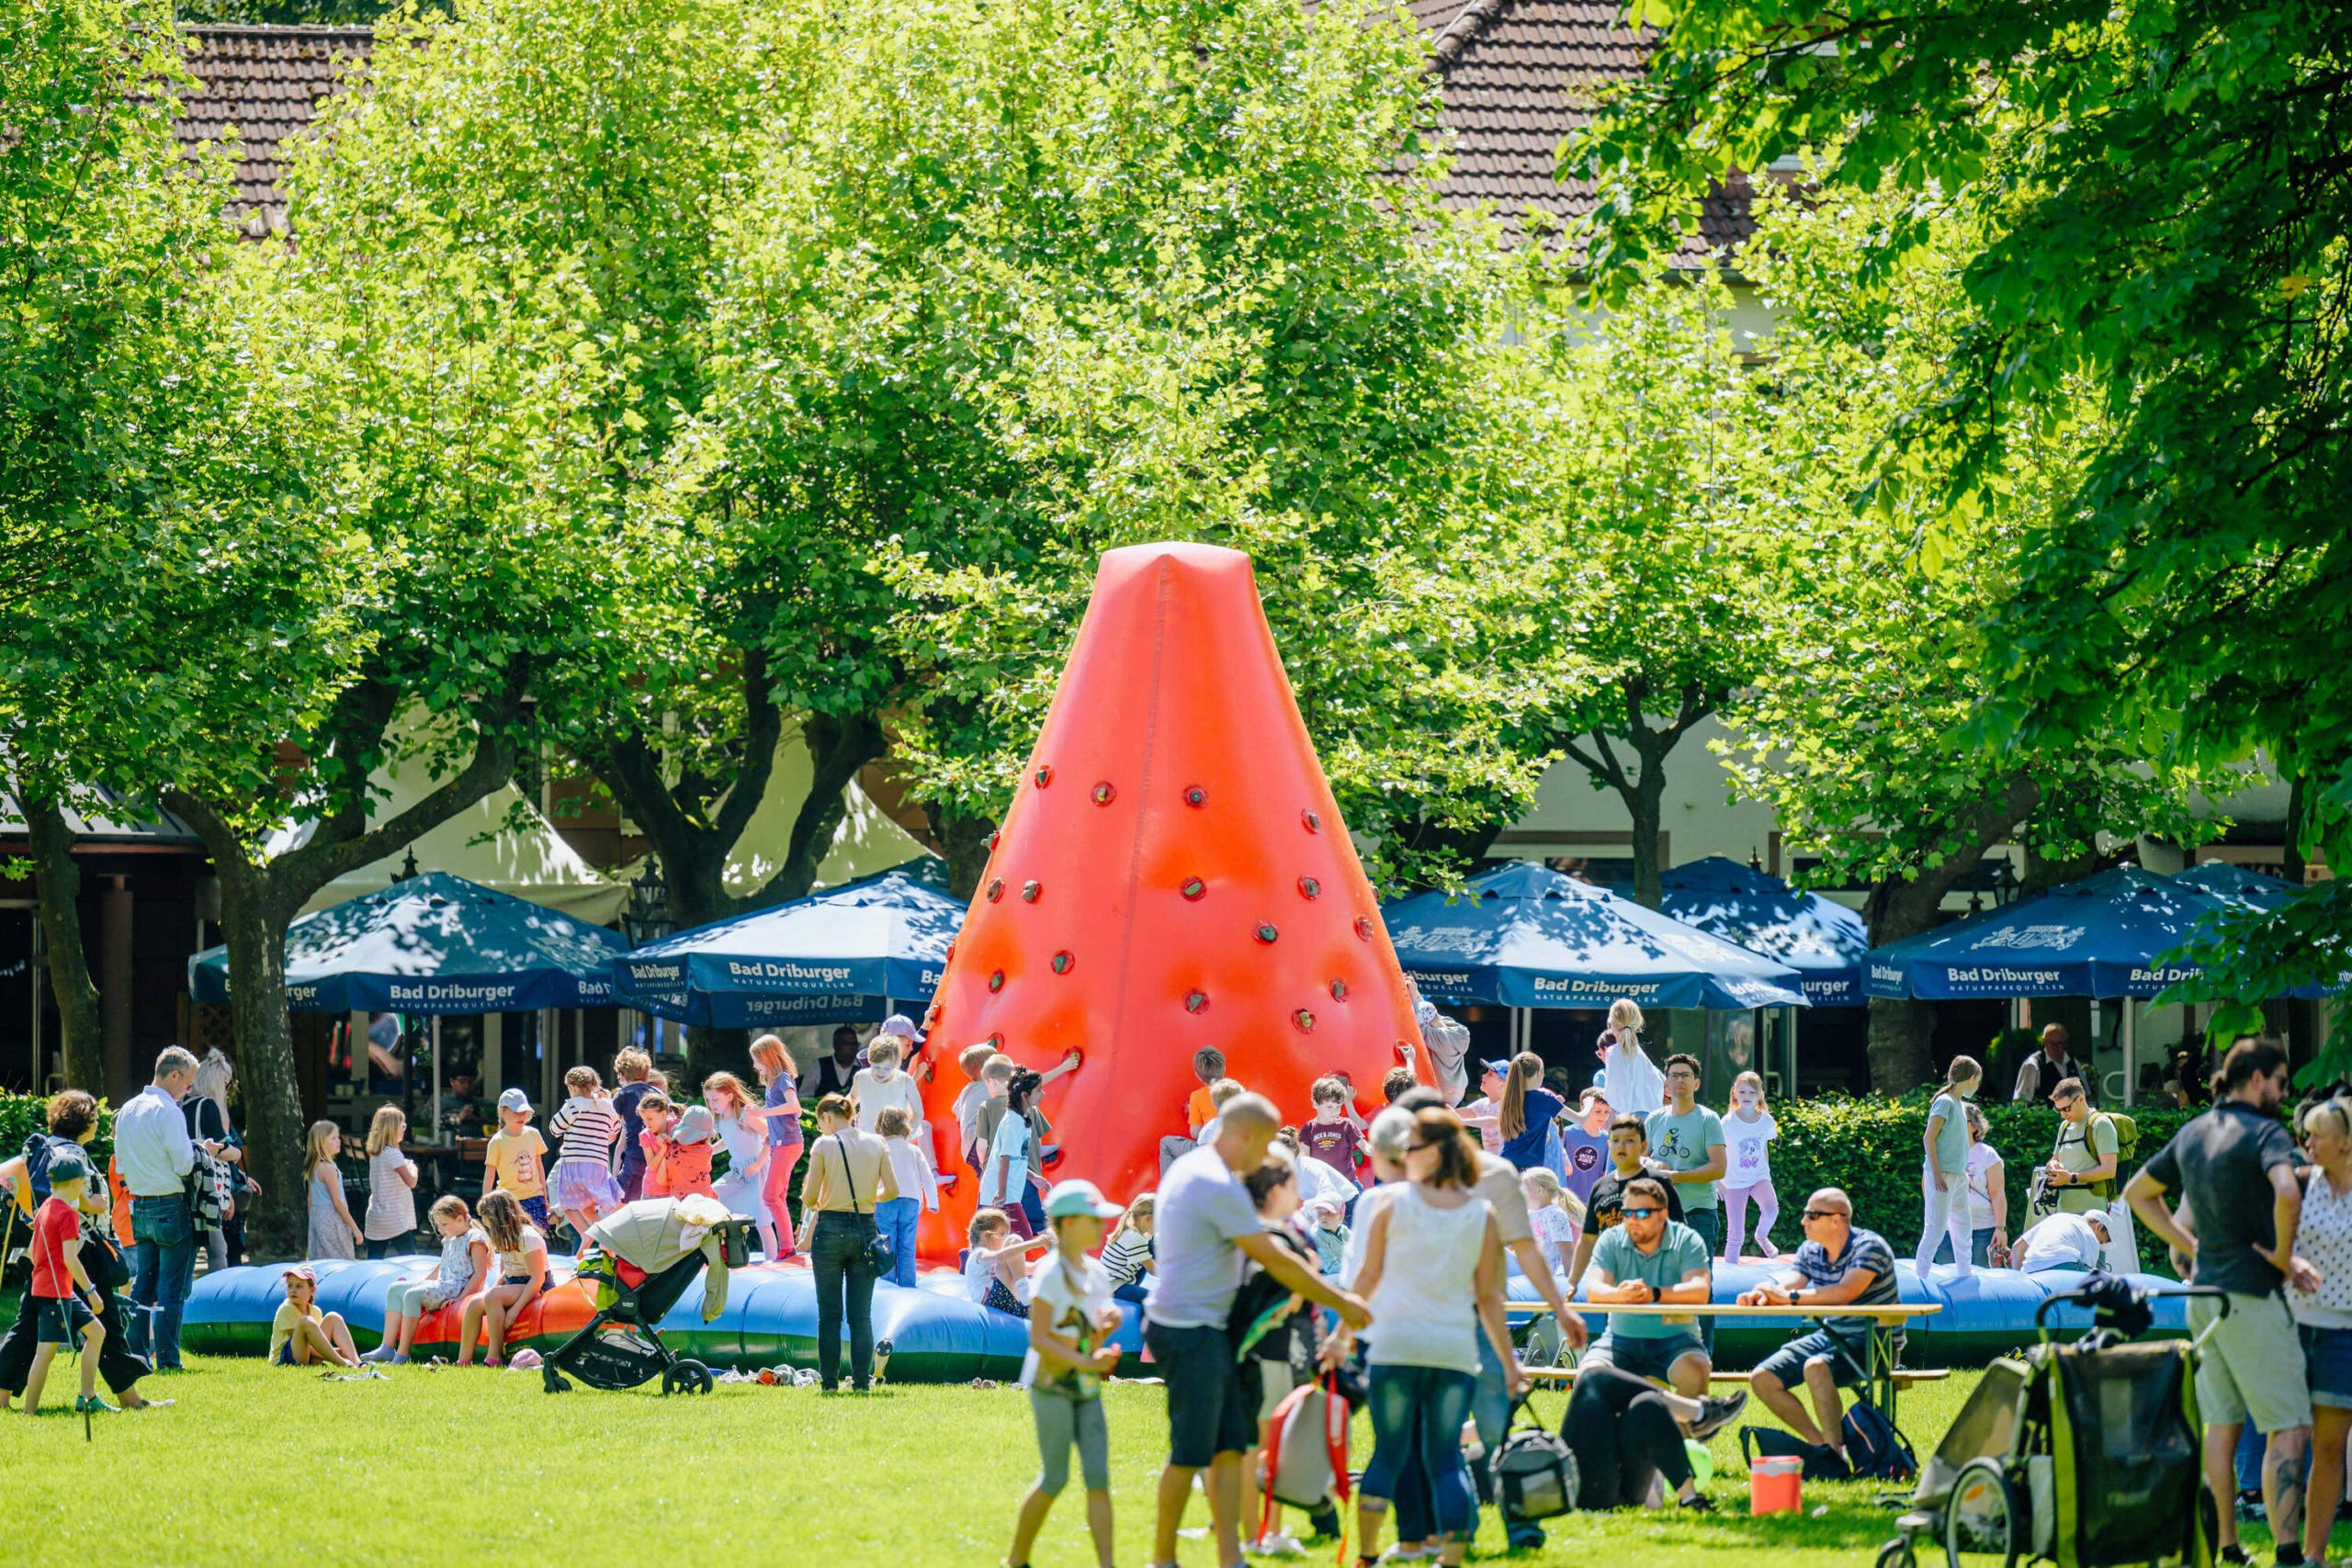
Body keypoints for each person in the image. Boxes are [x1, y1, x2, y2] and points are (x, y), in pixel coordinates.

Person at [1146, 1094, 1369, 1568]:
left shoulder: (1198, 1170)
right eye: (1266, 1142)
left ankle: (1232, 1557)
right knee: (1191, 1451)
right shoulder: (1214, 1183)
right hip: (1190, 1329)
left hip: (1205, 1328)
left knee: (1230, 1448)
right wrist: (1342, 1302)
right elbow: (1272, 1257)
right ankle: (1162, 1558)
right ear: (1246, 1136)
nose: (1270, 1155)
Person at [1369, 1085, 1588, 1552]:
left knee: (1469, 1434)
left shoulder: (1487, 1175)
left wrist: (1561, 1305)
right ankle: (1469, 1534)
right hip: (1457, 1318)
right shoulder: (1473, 1173)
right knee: (1464, 1436)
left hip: (1453, 1320)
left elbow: (1525, 1249)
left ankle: (1480, 1532)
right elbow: (1523, 1251)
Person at [2126, 1037, 2314, 1567]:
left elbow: (2138, 1192)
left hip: (2203, 1297)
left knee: (2222, 1423)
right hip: (2252, 1297)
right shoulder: (2266, 1132)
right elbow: (2288, 1191)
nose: (2283, 1092)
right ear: (2256, 1079)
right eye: (2280, 1083)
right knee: (2288, 1423)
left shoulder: (2194, 1132)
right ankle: (2288, 1553)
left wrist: (2193, 1248)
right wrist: (2281, 1258)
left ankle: (2227, 1547)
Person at [1341, 1108, 1517, 1568]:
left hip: (1395, 1347)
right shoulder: (1482, 1213)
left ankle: (1366, 1555)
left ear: (1433, 1153)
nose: (1405, 1154)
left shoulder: (1388, 1203)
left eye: (1412, 1147)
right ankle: (1451, 1560)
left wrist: (1341, 1333)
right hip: (1453, 1352)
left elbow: (1366, 1278)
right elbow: (1489, 1299)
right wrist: (1511, 1363)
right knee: (1443, 1459)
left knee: (1387, 1454)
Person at [1737, 1187, 1904, 1475]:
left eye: (1812, 1215)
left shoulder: (1870, 1247)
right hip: (1832, 1335)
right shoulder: (1811, 1250)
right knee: (1762, 1378)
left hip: (1878, 1341)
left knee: (1815, 1367)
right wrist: (1762, 1293)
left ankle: (1832, 1451)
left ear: (1837, 1220)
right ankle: (1827, 1451)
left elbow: (1844, 1292)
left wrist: (1786, 1298)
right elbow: (1792, 1282)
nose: (1804, 1222)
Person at [1008, 1179, 1127, 1568]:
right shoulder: (1050, 1274)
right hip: (1051, 1386)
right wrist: (1086, 1362)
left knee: (1098, 1478)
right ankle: (1017, 1559)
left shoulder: (1094, 1271)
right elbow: (1041, 1338)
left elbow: (1089, 1330)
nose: (1102, 1227)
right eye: (1095, 1220)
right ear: (1070, 1223)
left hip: (1086, 1386)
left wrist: (1109, 1325)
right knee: (1056, 1478)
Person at [1581, 1175, 1715, 1396]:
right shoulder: (1610, 1239)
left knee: (1696, 1371)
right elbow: (1594, 1290)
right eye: (1627, 1213)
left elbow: (1700, 1291)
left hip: (1677, 1340)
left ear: (1663, 1215)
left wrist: (1653, 1294)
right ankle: (1697, 1414)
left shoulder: (1687, 1239)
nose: (1633, 1220)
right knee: (1589, 1374)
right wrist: (1621, 1295)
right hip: (1620, 1340)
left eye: (1642, 1213)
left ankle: (1683, 1430)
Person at [801, 1093, 901, 1391]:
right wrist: (869, 1199)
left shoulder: (824, 1144)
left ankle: (829, 1383)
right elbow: (893, 1189)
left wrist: (823, 1202)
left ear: (827, 1118)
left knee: (829, 1315)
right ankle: (861, 1382)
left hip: (830, 1228)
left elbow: (808, 1196)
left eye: (821, 1124)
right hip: (866, 1228)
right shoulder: (877, 1143)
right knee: (861, 1315)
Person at [2290, 1098, 2352, 1568]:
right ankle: (2289, 1553)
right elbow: (2260, 1235)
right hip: (2292, 1328)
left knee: (2329, 1446)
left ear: (2346, 1143)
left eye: (2318, 1134)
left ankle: (2315, 1555)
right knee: (2288, 1441)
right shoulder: (2299, 1181)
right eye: (2307, 1134)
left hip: (2341, 1335)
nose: (2307, 1142)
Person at [119, 1044, 202, 1371]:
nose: (189, 1089)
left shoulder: (127, 1109)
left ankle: (137, 1354)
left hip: (139, 1207)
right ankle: (168, 1360)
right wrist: (202, 1151)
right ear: (175, 1074)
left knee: (143, 1284)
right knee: (171, 1288)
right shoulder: (169, 1110)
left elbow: (122, 1167)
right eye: (189, 1082)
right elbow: (183, 1164)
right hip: (170, 1205)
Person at [16, 1145, 114, 1412]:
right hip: (55, 1292)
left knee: (96, 1332)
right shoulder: (69, 1215)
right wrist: (91, 1290)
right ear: (76, 1183)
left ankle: (88, 1397)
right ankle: (29, 1412)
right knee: (45, 1353)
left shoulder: (45, 1207)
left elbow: (35, 1253)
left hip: (54, 1288)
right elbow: (71, 1259)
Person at [1560, 1362, 1730, 1511]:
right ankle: (1697, 1413)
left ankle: (1691, 1499)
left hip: (1615, 1493)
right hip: (1589, 1493)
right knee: (1593, 1378)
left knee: (1647, 1404)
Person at [366, 1194, 490, 1363]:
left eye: (444, 1224)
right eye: (438, 1225)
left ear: (460, 1219)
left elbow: (480, 1273)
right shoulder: (450, 1239)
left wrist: (461, 1297)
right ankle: (387, 1347)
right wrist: (424, 1281)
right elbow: (442, 1265)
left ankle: (403, 1354)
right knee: (395, 1289)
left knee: (412, 1295)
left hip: (458, 1287)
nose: (440, 1229)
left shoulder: (474, 1238)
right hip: (444, 1285)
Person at [1567, 1113, 1685, 1290]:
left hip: (1654, 1284)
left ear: (1643, 1146)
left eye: (1629, 1140)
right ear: (1609, 1144)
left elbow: (1679, 1234)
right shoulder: (1600, 1187)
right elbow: (1587, 1240)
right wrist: (1573, 1283)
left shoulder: (1659, 1183)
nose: (1621, 1146)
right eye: (1615, 1140)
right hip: (1613, 1285)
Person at [458, 1189, 548, 1369]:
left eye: (485, 1217)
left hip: (535, 1285)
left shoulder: (527, 1236)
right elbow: (509, 1270)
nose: (483, 1222)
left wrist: (515, 1309)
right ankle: (463, 1361)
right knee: (475, 1303)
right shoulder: (507, 1236)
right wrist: (495, 1286)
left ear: (497, 1216)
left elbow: (537, 1278)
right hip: (515, 1284)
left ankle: (494, 1357)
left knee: (494, 1297)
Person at [1916, 1055, 1982, 1280]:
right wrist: (1936, 1174)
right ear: (1971, 1079)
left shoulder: (1960, 1105)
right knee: (1935, 1229)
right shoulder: (1945, 1102)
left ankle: (1966, 1276)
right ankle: (1921, 1277)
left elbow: (1954, 1142)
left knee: (1963, 1229)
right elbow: (1929, 1138)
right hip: (1942, 1175)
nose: (1978, 1085)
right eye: (1978, 1081)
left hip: (1957, 1176)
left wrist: (1960, 1173)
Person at [184, 1048, 250, 1269]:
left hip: (185, 1184)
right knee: (218, 1250)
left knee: (190, 1251)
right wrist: (238, 1153)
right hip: (207, 1187)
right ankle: (217, 1298)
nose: (229, 1090)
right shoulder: (208, 1106)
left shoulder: (183, 1105)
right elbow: (222, 1149)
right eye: (227, 1084)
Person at [548, 1066, 627, 1247]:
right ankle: (605, 1237)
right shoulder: (605, 1105)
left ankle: (584, 1233)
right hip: (598, 1165)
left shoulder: (574, 1105)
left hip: (575, 1163)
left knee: (567, 1205)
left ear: (573, 1087)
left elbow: (554, 1128)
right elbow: (615, 1128)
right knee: (588, 1207)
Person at [704, 1071, 775, 1255]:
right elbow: (727, 1141)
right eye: (709, 1100)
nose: (712, 1105)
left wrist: (758, 1164)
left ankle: (773, 1259)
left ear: (729, 1096)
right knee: (712, 1198)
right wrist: (708, 1151)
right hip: (737, 1170)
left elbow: (772, 1137)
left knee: (763, 1222)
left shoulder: (746, 1116)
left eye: (715, 1100)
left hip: (757, 1171)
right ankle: (726, 1250)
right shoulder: (720, 1119)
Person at [751, 1034, 806, 1258]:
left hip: (788, 1143)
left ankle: (787, 1247)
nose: (754, 1066)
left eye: (756, 1060)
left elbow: (795, 1107)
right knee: (776, 1196)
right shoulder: (775, 1081)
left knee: (771, 1196)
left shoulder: (782, 1078)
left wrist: (761, 1113)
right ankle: (787, 1247)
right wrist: (771, 1135)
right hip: (782, 1142)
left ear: (767, 1057)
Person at [873, 1104, 939, 1287]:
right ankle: (907, 1284)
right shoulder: (914, 1150)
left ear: (880, 1126)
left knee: (887, 1245)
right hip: (910, 1200)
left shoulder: (879, 1149)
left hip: (884, 1198)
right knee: (907, 1246)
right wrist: (933, 1201)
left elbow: (870, 1176)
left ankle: (887, 1284)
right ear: (905, 1126)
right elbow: (927, 1176)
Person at [1939, 1103, 2007, 1269]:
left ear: (1975, 1127)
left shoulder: (1987, 1154)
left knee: (1983, 1281)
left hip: (1983, 1230)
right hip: (1948, 1230)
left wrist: (2000, 1228)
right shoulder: (1940, 1153)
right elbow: (1930, 1190)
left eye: (1961, 1120)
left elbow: (1997, 1194)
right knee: (1948, 1281)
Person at [1720, 1070, 1780, 1259]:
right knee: (1735, 1235)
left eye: (1752, 1092)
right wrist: (1718, 1180)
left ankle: (1761, 1236)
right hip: (1734, 1182)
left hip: (1758, 1177)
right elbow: (1718, 1151)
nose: (1747, 1096)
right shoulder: (1727, 1122)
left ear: (1760, 1095)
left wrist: (1765, 1173)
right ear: (1734, 1093)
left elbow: (1764, 1148)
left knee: (1771, 1210)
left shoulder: (1766, 1121)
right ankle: (1731, 1273)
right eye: (1742, 1092)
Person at [2046, 1076, 2120, 1215]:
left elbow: (2109, 1170)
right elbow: (2055, 1159)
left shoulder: (2101, 1124)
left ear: (2081, 1099)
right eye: (2058, 1110)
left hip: (2092, 1214)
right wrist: (2053, 1166)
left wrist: (2072, 1177)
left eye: (2066, 1108)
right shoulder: (2064, 1126)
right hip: (2063, 1212)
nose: (2063, 1114)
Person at [980, 1070, 1043, 1235]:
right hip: (1001, 1196)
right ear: (1024, 1095)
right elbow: (1005, 1158)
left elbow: (1017, 1158)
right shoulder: (1014, 1121)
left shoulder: (1021, 1119)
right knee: (1023, 1239)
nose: (1042, 1094)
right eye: (1038, 1090)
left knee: (995, 1243)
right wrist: (1001, 1191)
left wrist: (1033, 1177)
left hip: (1007, 1194)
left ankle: (971, 1257)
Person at [484, 1087, 552, 1233]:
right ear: (502, 1112)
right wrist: (485, 1205)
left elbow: (539, 1166)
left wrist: (544, 1195)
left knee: (535, 1240)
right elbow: (489, 1175)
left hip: (534, 1197)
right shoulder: (497, 1141)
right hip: (507, 1200)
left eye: (524, 1112)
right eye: (516, 1112)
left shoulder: (533, 1134)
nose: (522, 1116)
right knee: (509, 1243)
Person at [270, 1264, 361, 1370]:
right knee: (306, 1321)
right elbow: (303, 1346)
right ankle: (343, 1364)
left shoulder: (316, 1311)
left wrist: (337, 1351)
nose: (293, 1290)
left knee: (333, 1317)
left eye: (299, 1286)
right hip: (285, 1361)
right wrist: (336, 1354)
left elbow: (316, 1343)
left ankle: (357, 1362)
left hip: (309, 1359)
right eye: (290, 1286)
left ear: (312, 1290)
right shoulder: (286, 1308)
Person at [362, 1105, 419, 1258]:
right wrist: (413, 1168)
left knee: (374, 1259)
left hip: (376, 1216)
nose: (404, 1129)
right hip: (393, 1217)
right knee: (410, 1259)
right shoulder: (394, 1154)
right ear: (393, 1128)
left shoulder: (376, 1153)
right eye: (403, 1125)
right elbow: (411, 1182)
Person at [1160, 1045, 1228, 1175]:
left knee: (1166, 1144)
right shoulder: (1236, 1089)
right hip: (1233, 1147)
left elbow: (1195, 1134)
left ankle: (1168, 1189)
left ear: (1197, 1075)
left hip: (1209, 1150)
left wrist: (1192, 1110)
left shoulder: (1197, 1096)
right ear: (1224, 1068)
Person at [1497, 1051, 1566, 1173]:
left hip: (1504, 1163)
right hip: (1529, 1169)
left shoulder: (1509, 1098)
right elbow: (1581, 1119)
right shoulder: (1545, 1098)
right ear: (1539, 1072)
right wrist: (1589, 1103)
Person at [966, 1207, 1044, 1316]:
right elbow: (999, 1256)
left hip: (1008, 1304)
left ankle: (1025, 1294)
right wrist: (1034, 1243)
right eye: (1002, 1234)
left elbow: (1032, 1268)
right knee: (1014, 1240)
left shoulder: (998, 1262)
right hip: (992, 1305)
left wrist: (1059, 1253)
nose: (1004, 1239)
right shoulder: (978, 1254)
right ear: (986, 1235)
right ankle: (1024, 1289)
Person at [1596, 998, 1664, 1120]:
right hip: (1650, 1117)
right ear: (1637, 1024)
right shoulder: (1639, 1052)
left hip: (1626, 1119)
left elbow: (1614, 1093)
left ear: (1611, 1023)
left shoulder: (1613, 1052)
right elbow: (1659, 1083)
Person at [305, 1119, 362, 1260]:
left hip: (317, 1218)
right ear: (320, 1143)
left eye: (338, 1137)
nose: (339, 1141)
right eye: (333, 1138)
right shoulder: (329, 1168)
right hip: (332, 1219)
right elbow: (337, 1201)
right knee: (341, 1259)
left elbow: (310, 1199)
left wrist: (312, 1220)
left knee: (321, 1259)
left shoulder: (314, 1167)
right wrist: (355, 1228)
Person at [852, 1032, 926, 1139]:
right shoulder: (861, 1077)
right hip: (867, 1140)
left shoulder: (905, 1080)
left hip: (895, 1140)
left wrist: (904, 1137)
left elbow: (918, 1113)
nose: (881, 1072)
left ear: (896, 1063)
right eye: (876, 1067)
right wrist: (843, 1108)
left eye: (887, 1068)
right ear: (869, 1060)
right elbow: (854, 1097)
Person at [1299, 1076, 1366, 1189]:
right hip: (1323, 1187)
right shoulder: (1308, 1129)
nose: (1335, 1111)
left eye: (1338, 1106)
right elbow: (1305, 1160)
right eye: (1329, 1106)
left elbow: (1367, 1148)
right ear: (1316, 1104)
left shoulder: (1346, 1124)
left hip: (1348, 1184)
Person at [611, 1047, 658, 1201]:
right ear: (646, 1074)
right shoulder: (657, 1093)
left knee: (622, 1205)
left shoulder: (622, 1095)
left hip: (634, 1157)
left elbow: (612, 1128)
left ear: (621, 1076)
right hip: (657, 1156)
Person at [2011, 1022, 2093, 1104]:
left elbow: (2087, 1097)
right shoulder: (2033, 1065)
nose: (2055, 1048)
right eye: (2050, 1043)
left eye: (2059, 1044)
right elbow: (2020, 1102)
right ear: (2044, 1041)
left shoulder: (2074, 1063)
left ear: (2066, 1043)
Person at [1559, 1087, 1613, 1208]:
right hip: (1566, 1200)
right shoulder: (1567, 1134)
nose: (1603, 1116)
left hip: (1591, 1202)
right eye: (1597, 1111)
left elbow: (1605, 1173)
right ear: (1583, 1108)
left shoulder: (1607, 1139)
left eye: (1607, 1112)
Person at [2011, 1209, 2111, 1273]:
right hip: (2064, 1266)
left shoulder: (2056, 1217)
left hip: (2030, 1268)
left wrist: (2019, 1277)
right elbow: (2088, 1270)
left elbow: (2017, 1246)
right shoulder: (2090, 1234)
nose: (2099, 1244)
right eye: (2101, 1241)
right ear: (2099, 1226)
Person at [1521, 1167, 1580, 1276]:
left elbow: (1568, 1253)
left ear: (1539, 1190)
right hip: (1525, 1267)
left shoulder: (1554, 1214)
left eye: (1524, 1189)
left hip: (1540, 1272)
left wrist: (1570, 1283)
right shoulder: (1530, 1213)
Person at [1102, 1194, 1156, 1305]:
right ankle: (1145, 1322)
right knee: (1155, 1298)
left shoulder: (1129, 1230)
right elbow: (1154, 1271)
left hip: (1113, 1281)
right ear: (1148, 1218)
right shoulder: (1135, 1239)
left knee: (1151, 1245)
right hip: (1113, 1287)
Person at [801, 1024, 865, 1103]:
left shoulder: (862, 1068)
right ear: (835, 1046)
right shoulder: (818, 1066)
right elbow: (804, 1098)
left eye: (855, 1044)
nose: (852, 1048)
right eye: (847, 1044)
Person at [1458, 1058, 1510, 1155]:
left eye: (1490, 1074)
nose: (1483, 1075)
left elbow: (1493, 1121)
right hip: (1493, 1161)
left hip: (1506, 1162)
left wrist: (1463, 1122)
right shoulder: (1482, 1103)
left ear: (1503, 1085)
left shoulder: (1508, 1105)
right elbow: (1457, 1114)